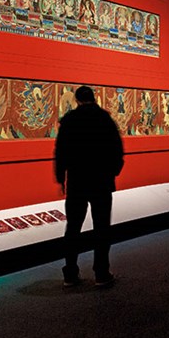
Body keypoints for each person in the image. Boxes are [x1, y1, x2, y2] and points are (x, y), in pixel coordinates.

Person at [54, 85, 125, 287]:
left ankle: (70, 273)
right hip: (101, 181)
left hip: (77, 181)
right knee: (102, 228)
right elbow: (117, 149)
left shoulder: (69, 120)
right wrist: (113, 172)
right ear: (93, 98)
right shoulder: (104, 119)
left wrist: (61, 178)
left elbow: (60, 152)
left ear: (76, 100)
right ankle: (101, 273)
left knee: (73, 228)